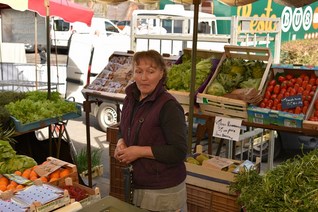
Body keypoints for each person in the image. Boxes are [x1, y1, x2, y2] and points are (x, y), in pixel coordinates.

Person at [114, 50, 188, 212]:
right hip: (138, 183)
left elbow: (179, 151)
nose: (143, 77)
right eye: (139, 71)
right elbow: (123, 128)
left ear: (161, 73)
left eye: (151, 71)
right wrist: (121, 142)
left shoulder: (169, 106)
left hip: (162, 191)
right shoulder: (131, 98)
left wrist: (138, 152)